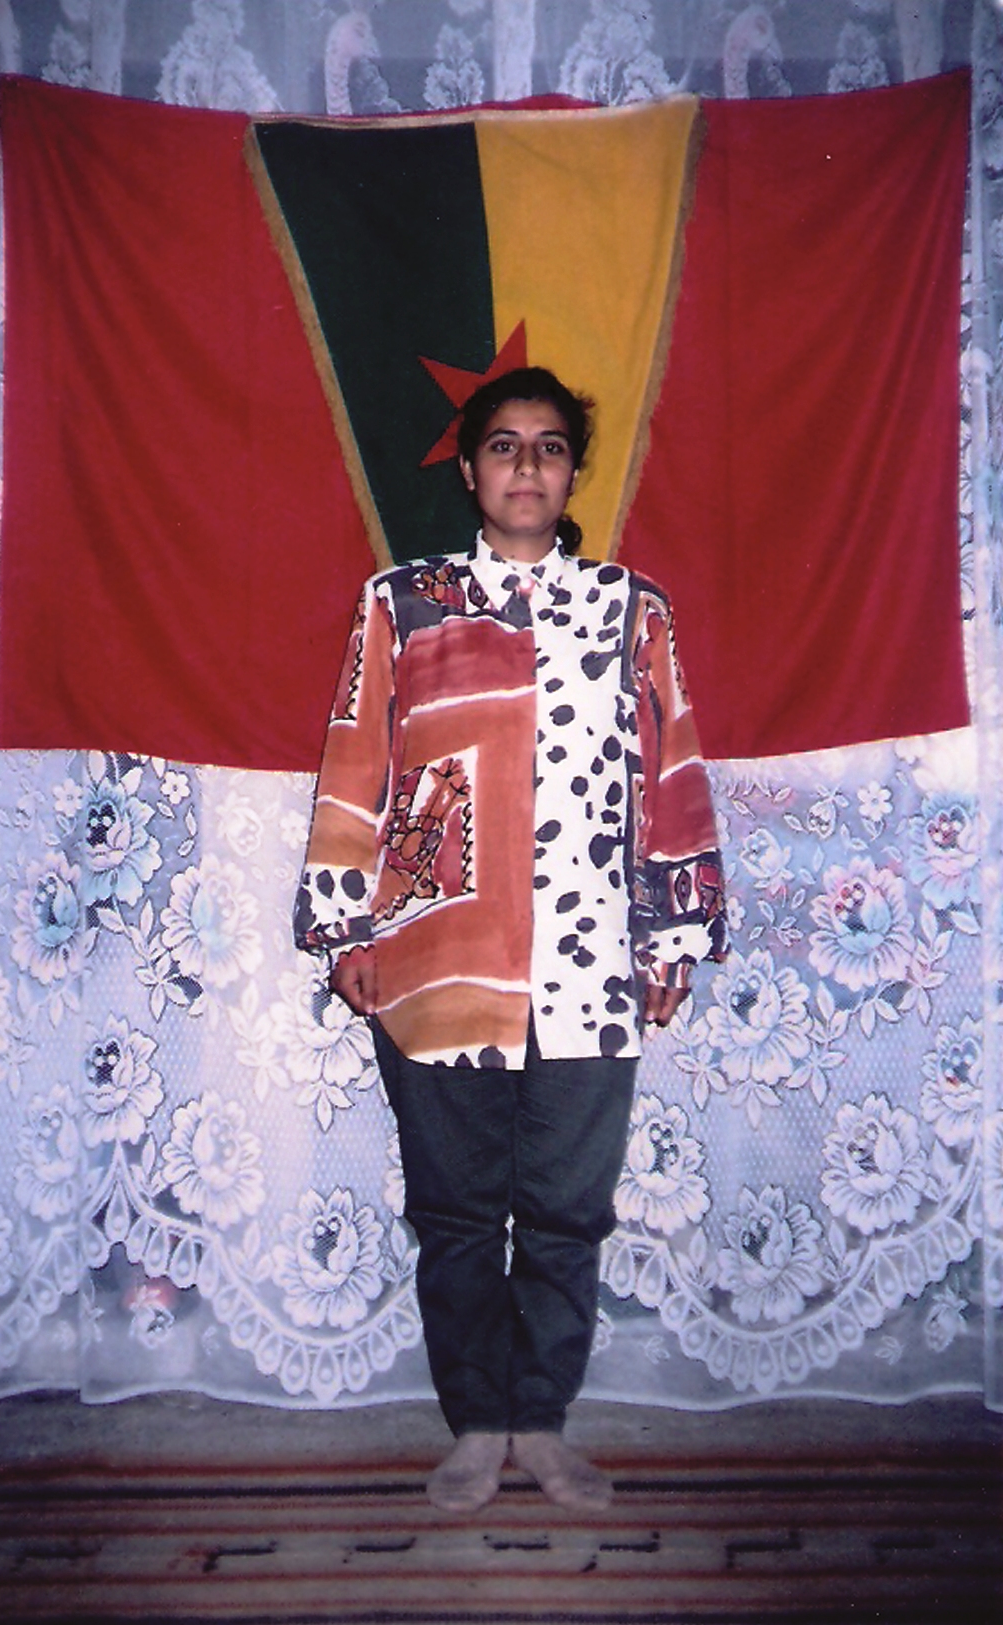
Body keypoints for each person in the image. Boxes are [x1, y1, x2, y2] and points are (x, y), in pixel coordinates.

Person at [294, 367, 725, 1514]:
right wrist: (343, 922)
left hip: (592, 964)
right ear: (470, 467)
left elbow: (672, 767)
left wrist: (673, 933)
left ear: (572, 471)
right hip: (437, 960)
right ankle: (478, 1423)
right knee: (456, 1210)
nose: (526, 465)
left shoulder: (633, 609)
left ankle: (541, 1419)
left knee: (569, 1209)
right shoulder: (404, 603)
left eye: (548, 446)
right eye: (503, 444)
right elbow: (356, 755)